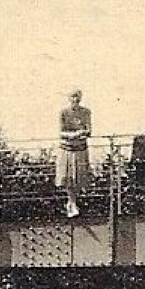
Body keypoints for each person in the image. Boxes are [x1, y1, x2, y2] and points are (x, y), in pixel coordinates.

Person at [55, 89, 92, 217]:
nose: (75, 99)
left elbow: (89, 130)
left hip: (81, 148)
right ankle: (71, 202)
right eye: (73, 96)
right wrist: (74, 135)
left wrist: (83, 133)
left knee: (79, 176)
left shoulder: (86, 112)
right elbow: (61, 132)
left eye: (78, 97)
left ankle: (73, 203)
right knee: (68, 177)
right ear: (69, 98)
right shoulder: (63, 112)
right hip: (67, 148)